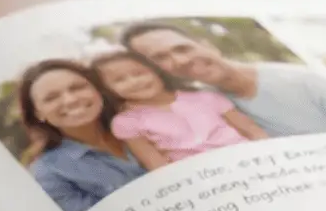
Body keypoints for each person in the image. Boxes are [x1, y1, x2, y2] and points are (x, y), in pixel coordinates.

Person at [122, 22, 326, 138]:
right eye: (160, 59)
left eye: (182, 48)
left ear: (207, 45)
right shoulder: (208, 106)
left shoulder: (302, 80)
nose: (179, 61)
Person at [16, 59, 147, 211]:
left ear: (97, 90)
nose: (70, 100)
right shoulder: (49, 173)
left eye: (77, 88)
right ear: (38, 113)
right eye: (51, 98)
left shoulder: (141, 124)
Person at [91, 50, 266, 167]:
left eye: (139, 73)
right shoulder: (126, 122)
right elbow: (156, 165)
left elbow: (251, 130)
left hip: (248, 160)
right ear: (107, 89)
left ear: (155, 71)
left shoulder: (205, 97)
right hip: (200, 178)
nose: (134, 81)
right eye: (120, 80)